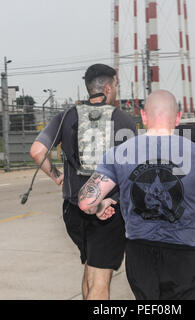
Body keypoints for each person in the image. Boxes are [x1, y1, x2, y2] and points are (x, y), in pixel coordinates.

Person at [78, 90, 195, 300]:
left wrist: (100, 207)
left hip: (140, 256)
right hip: (185, 256)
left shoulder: (119, 153)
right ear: (178, 118)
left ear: (144, 117)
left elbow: (85, 202)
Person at [30, 64, 137, 300]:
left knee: (90, 267)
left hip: (72, 211)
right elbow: (131, 173)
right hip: (107, 210)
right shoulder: (124, 121)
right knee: (100, 281)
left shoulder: (65, 117)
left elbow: (37, 151)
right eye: (116, 86)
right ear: (108, 87)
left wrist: (57, 176)